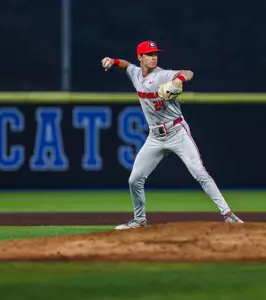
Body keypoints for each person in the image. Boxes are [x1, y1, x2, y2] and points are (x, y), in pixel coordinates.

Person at [101, 40, 243, 229]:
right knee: (134, 179)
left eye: (155, 54)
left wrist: (179, 80)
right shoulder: (135, 74)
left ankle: (228, 214)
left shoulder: (163, 75)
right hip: (155, 137)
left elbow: (188, 73)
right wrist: (113, 61)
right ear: (140, 57)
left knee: (199, 171)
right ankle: (139, 220)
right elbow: (126, 66)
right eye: (149, 54)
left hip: (177, 132)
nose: (153, 57)